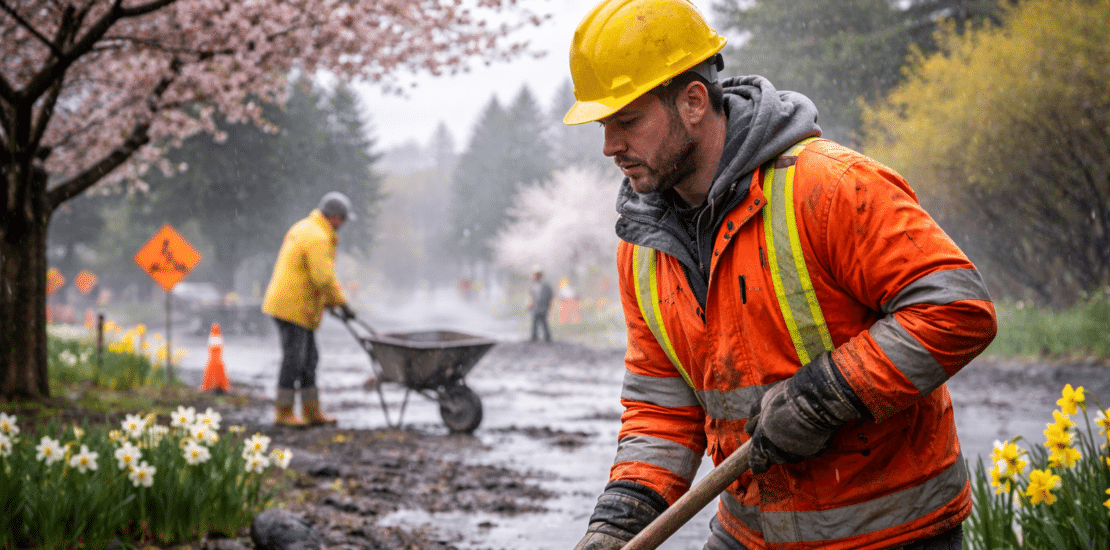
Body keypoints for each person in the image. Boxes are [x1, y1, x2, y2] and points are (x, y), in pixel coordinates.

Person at [562, 0, 998, 548]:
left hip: (888, 534)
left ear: (694, 101)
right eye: (605, 124)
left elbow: (958, 309)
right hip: (751, 534)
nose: (610, 146)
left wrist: (825, 396)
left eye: (627, 121)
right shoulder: (644, 250)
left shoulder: (828, 187)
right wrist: (616, 526)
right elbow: (661, 411)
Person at [262, 191, 357, 427]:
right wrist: (341, 303)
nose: (343, 225)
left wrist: (328, 303)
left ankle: (311, 411)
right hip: (293, 306)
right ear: (334, 217)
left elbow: (309, 275)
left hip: (296, 304)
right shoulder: (317, 237)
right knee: (294, 360)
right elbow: (323, 278)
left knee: (309, 359)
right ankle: (283, 413)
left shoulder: (306, 228)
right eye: (342, 219)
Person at [527, 266, 554, 342]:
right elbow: (532, 296)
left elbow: (549, 296)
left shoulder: (546, 285)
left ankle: (547, 337)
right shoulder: (533, 285)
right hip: (536, 307)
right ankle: (534, 336)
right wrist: (530, 303)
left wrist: (548, 306)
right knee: (534, 322)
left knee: (544, 322)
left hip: (543, 307)